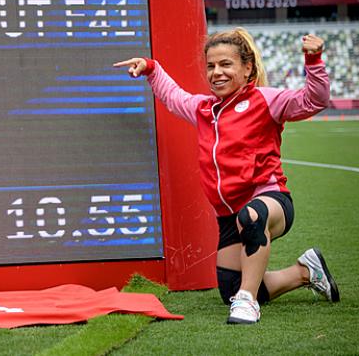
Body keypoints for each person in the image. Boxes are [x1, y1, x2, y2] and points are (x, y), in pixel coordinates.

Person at [114, 28, 339, 325]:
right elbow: (173, 96)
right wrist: (151, 68)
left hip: (270, 202)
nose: (216, 72)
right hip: (228, 216)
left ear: (248, 69)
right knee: (231, 290)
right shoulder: (204, 109)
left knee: (252, 218)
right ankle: (305, 272)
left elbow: (314, 100)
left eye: (226, 64)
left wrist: (314, 61)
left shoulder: (266, 100)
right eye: (211, 66)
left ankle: (247, 302)